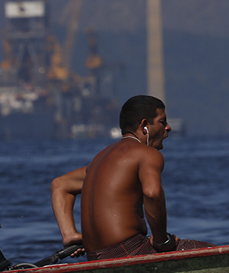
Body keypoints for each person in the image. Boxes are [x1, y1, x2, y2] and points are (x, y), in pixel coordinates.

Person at [51, 95, 213, 261]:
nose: (169, 127)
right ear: (145, 125)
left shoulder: (99, 159)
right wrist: (162, 241)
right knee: (214, 252)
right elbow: (152, 194)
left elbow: (60, 185)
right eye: (162, 121)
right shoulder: (147, 154)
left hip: (95, 257)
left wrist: (70, 235)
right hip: (129, 251)